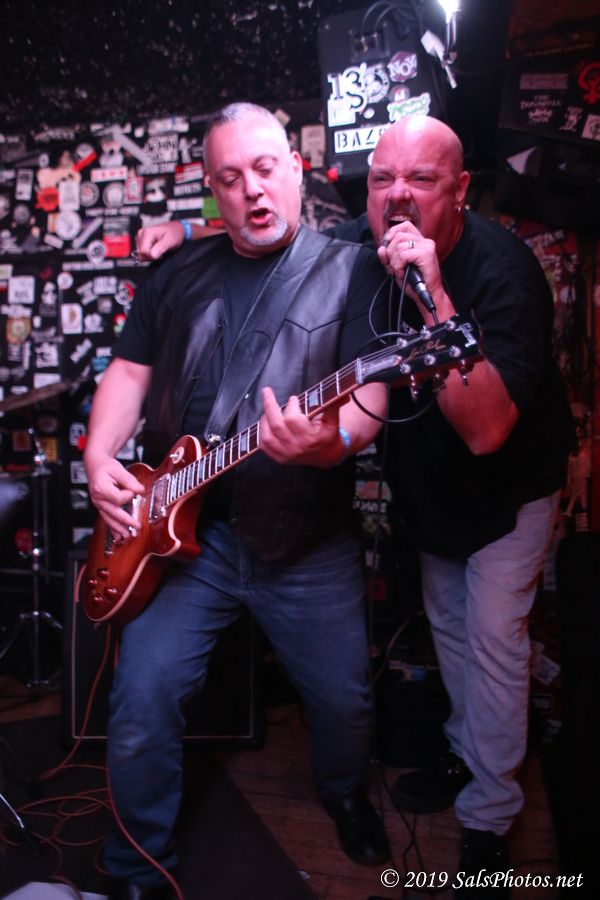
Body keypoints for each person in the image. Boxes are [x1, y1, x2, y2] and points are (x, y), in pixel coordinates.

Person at [139, 115, 575, 897]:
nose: (397, 196)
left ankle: (488, 818)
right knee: (452, 635)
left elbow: (486, 433)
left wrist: (433, 293)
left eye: (421, 181)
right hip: (430, 489)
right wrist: (187, 232)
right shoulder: (361, 240)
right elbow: (268, 221)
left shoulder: (504, 274)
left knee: (494, 645)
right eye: (381, 181)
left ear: (461, 189)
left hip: (507, 489)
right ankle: (465, 757)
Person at [84, 102, 392, 900]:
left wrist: (329, 443)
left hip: (306, 537)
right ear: (211, 190)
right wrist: (96, 453)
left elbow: (371, 395)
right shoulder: (177, 273)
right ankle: (136, 865)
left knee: (344, 702)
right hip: (189, 533)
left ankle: (343, 794)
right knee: (142, 695)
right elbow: (130, 372)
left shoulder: (351, 269)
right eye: (230, 178)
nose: (251, 189)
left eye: (263, 169)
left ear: (294, 168)